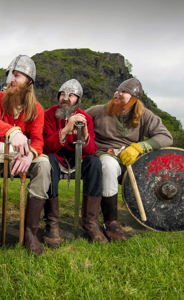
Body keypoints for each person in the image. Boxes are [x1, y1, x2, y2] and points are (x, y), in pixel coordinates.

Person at [0, 55, 51, 256]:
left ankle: (30, 232)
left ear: (29, 81)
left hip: (25, 155)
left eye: (18, 75)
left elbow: (38, 140)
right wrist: (13, 132)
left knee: (44, 166)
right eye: (11, 74)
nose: (12, 79)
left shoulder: (36, 108)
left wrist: (30, 156)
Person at [86, 78, 173, 241]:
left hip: (129, 160)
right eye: (117, 91)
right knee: (109, 165)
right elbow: (78, 122)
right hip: (102, 155)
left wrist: (139, 147)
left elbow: (166, 137)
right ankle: (110, 222)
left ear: (134, 99)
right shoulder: (97, 111)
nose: (118, 94)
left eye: (123, 93)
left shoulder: (145, 115)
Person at [43, 79, 108, 245]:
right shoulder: (48, 115)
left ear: (77, 99)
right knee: (47, 162)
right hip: (56, 155)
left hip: (78, 157)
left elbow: (91, 150)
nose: (66, 98)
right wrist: (65, 129)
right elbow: (46, 146)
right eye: (63, 94)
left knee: (94, 162)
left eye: (71, 95)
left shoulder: (85, 117)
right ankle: (52, 224)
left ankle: (91, 222)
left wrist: (84, 132)